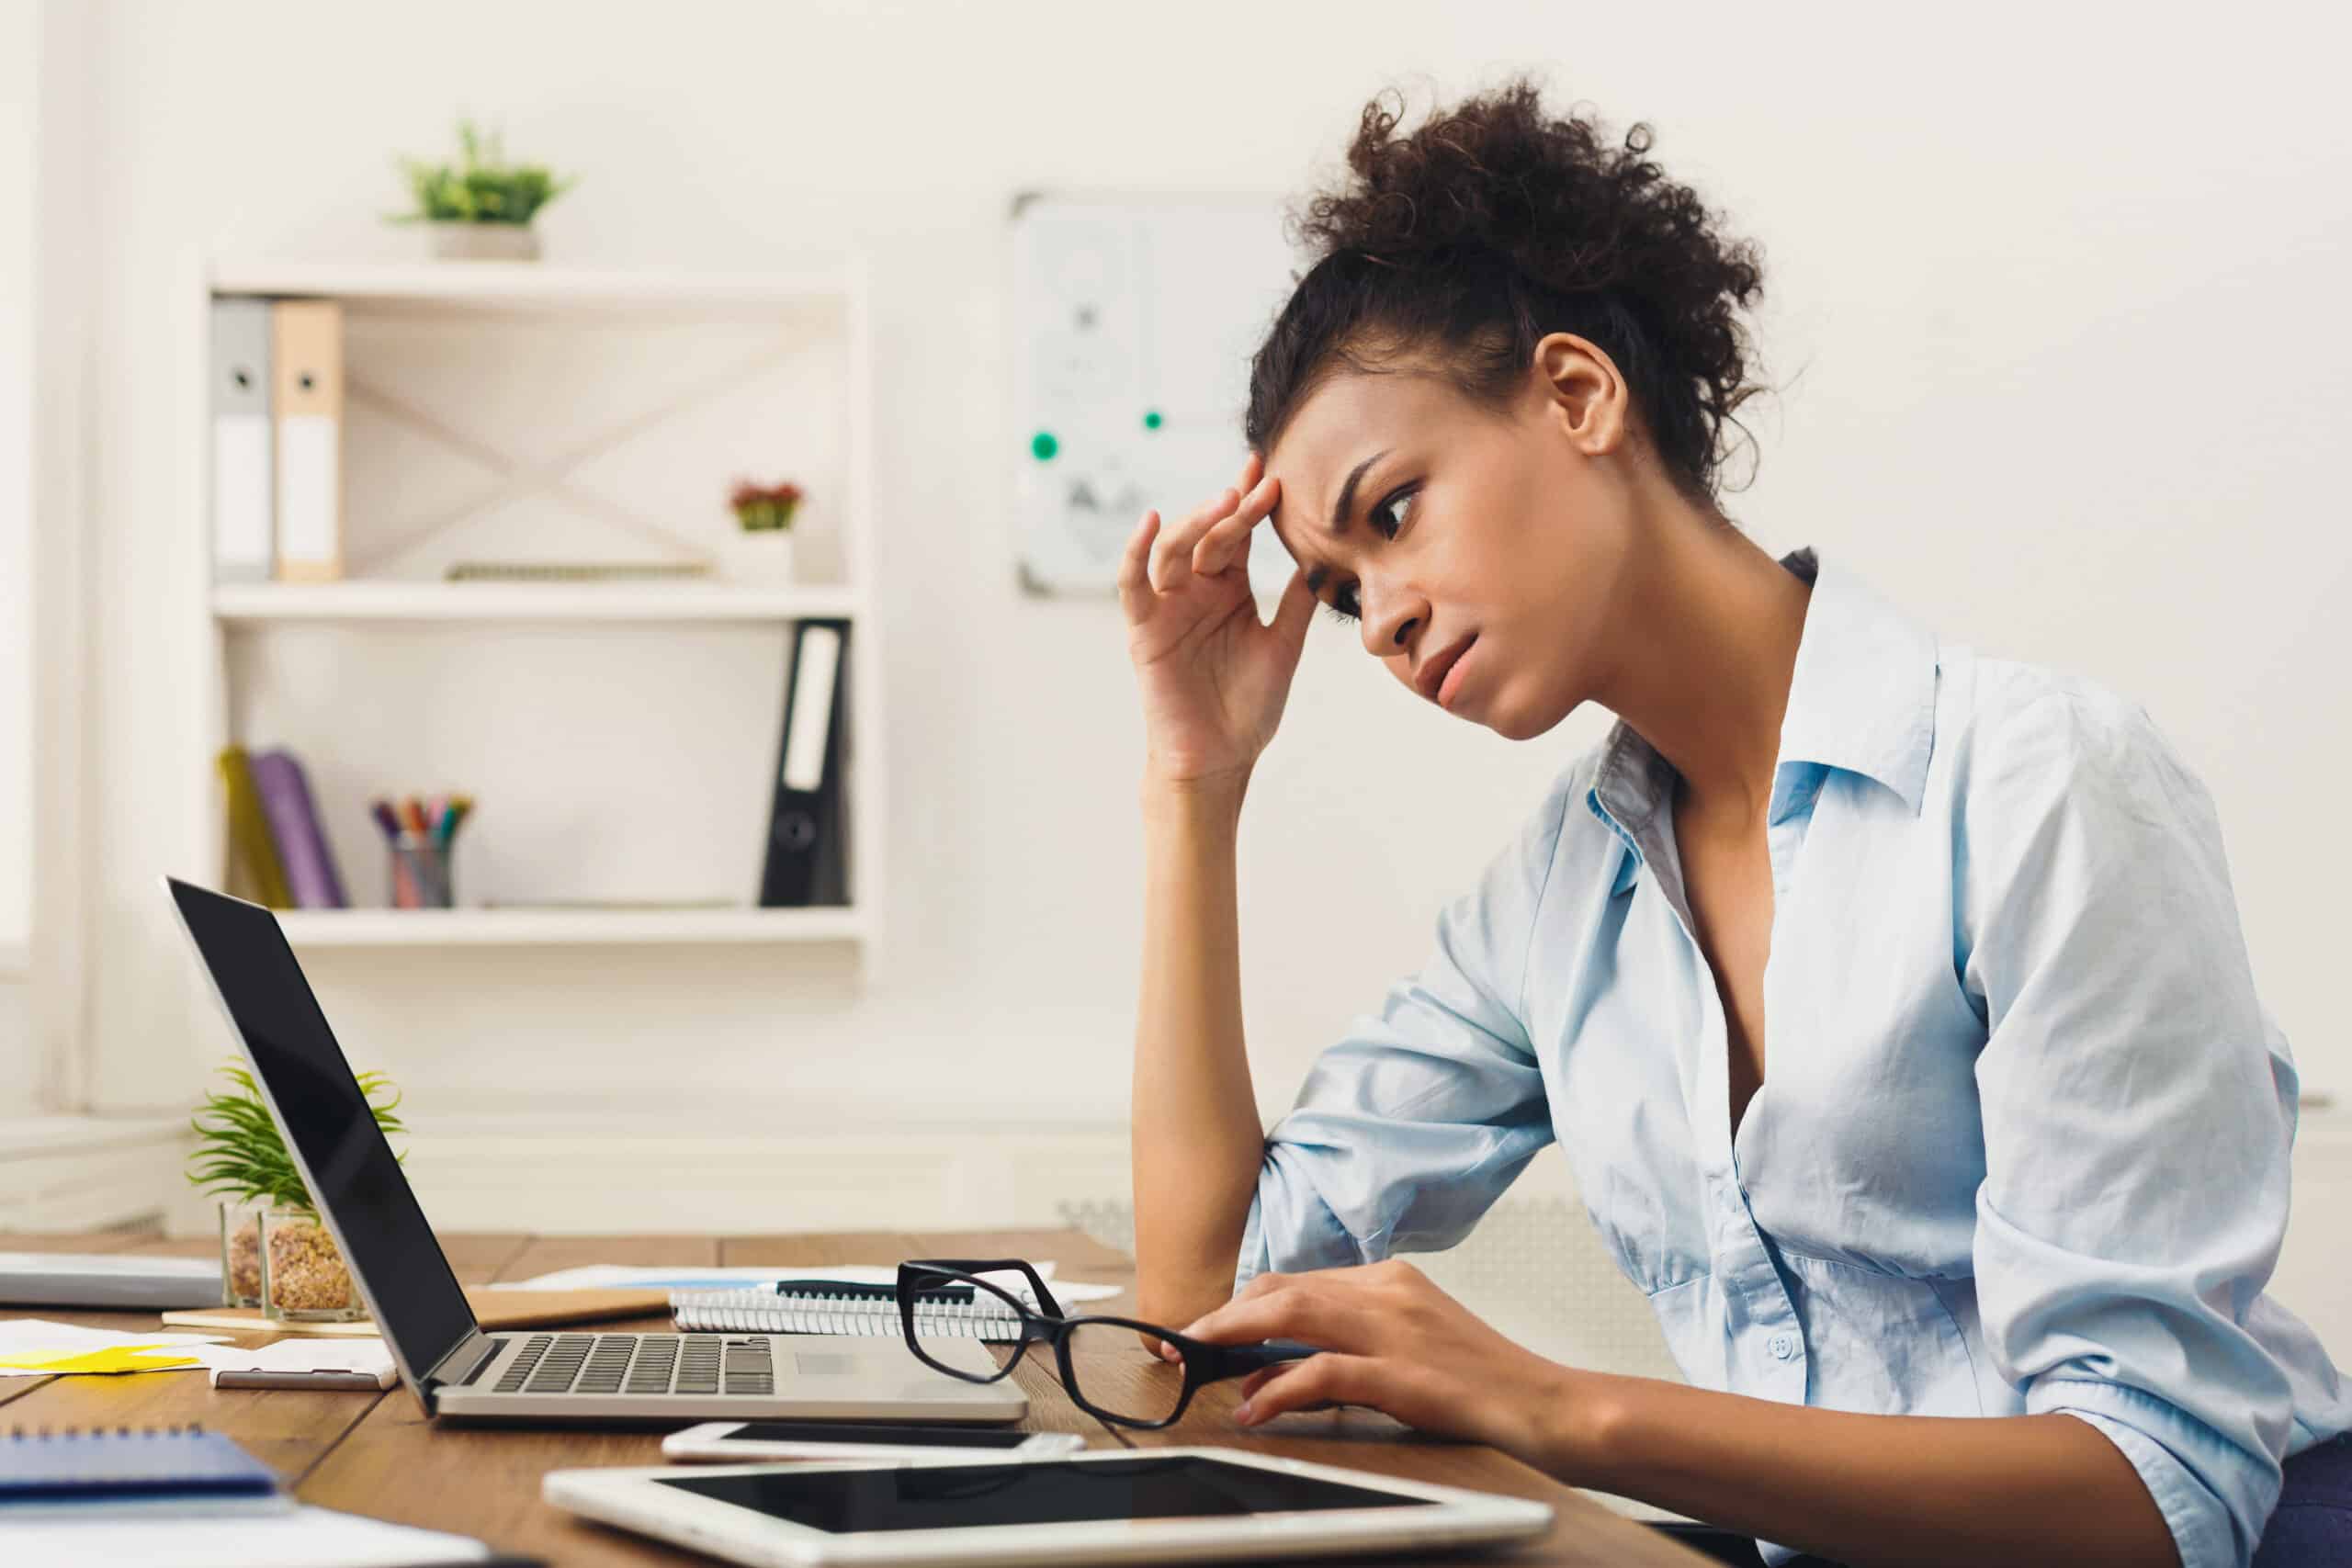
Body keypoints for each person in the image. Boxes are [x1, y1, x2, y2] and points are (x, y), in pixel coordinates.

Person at [1116, 79, 2352, 1568]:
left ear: (1577, 396)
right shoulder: (1564, 895)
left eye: (1390, 515)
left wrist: (1558, 1409)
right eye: (1337, 590)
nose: (1379, 619)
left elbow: (2157, 1497)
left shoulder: (2039, 781)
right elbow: (1203, 1295)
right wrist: (1199, 782)